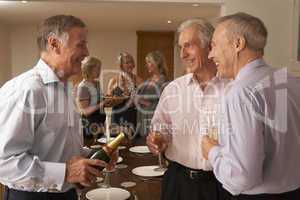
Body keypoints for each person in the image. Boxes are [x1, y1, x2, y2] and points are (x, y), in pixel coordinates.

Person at [0, 15, 111, 200]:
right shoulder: (26, 89)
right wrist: (65, 173)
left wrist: (92, 156)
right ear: (54, 44)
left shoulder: (64, 89)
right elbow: (4, 162)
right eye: (81, 44)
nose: (86, 52)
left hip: (66, 193)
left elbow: (59, 148)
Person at [203, 12, 300, 200]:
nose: (210, 54)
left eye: (214, 45)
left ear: (238, 44)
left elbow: (241, 178)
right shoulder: (291, 82)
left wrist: (212, 152)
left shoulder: (240, 93)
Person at [146, 18, 227, 200]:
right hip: (178, 183)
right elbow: (160, 127)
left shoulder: (234, 89)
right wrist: (158, 139)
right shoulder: (173, 90)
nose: (182, 54)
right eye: (180, 47)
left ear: (210, 46)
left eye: (189, 45)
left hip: (221, 185)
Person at [107, 52, 143, 137]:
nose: (130, 64)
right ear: (121, 65)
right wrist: (121, 98)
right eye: (127, 62)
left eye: (131, 62)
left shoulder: (139, 80)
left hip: (133, 117)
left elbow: (143, 100)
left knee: (133, 145)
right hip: (117, 118)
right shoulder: (113, 81)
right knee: (116, 145)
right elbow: (108, 101)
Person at [76, 56, 112, 138]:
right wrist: (103, 103)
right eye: (97, 69)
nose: (99, 71)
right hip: (89, 126)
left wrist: (109, 99)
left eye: (100, 68)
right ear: (89, 69)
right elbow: (85, 112)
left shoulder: (97, 83)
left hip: (100, 122)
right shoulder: (83, 87)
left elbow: (98, 102)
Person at [136, 50, 168, 136]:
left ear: (157, 63)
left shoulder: (164, 82)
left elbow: (164, 106)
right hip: (141, 121)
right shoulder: (147, 81)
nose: (147, 65)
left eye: (149, 62)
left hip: (154, 122)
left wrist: (142, 101)